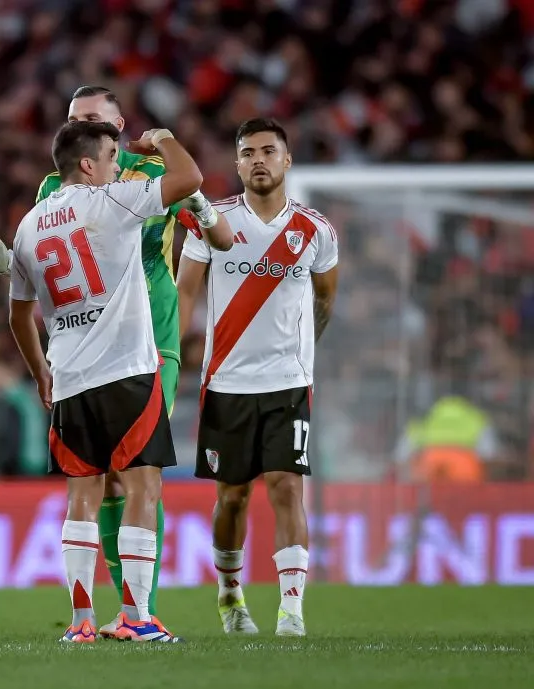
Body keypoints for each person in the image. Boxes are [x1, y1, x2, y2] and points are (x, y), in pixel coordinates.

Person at [30, 85, 232, 638]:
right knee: (117, 477)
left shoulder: (148, 173)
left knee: (133, 473)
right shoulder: (57, 184)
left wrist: (199, 203)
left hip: (152, 339)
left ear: (120, 126)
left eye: (92, 118)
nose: (81, 125)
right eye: (73, 119)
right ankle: (129, 611)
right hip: (94, 341)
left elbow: (222, 238)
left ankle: (134, 606)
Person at [175, 117, 339, 637]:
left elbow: (325, 298)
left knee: (287, 487)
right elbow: (184, 294)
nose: (259, 160)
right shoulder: (212, 219)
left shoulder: (316, 230)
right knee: (233, 496)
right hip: (226, 383)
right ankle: (230, 596)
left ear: (287, 160)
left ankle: (292, 612)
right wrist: (171, 358)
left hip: (289, 382)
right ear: (237, 163)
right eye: (248, 153)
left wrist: (301, 354)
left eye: (269, 151)